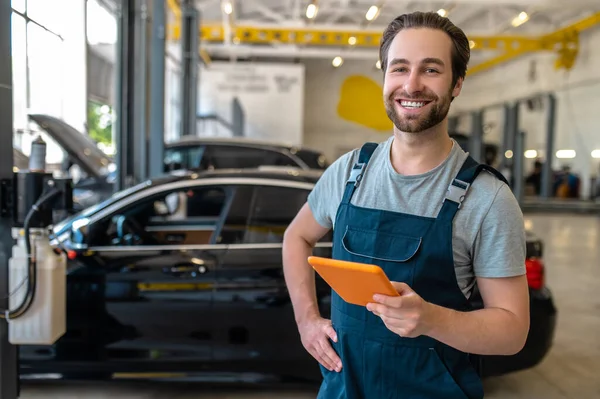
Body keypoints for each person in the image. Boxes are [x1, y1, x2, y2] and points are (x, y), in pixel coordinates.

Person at [282, 11, 530, 399]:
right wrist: (307, 320)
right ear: (385, 78)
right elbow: (296, 237)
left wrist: (430, 318)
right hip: (344, 389)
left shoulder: (487, 198)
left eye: (431, 70)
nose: (411, 84)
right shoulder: (349, 171)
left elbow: (512, 331)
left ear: (457, 84)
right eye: (399, 68)